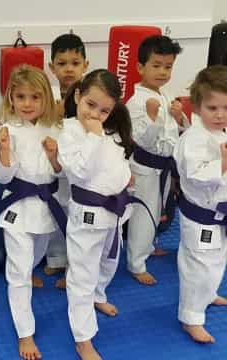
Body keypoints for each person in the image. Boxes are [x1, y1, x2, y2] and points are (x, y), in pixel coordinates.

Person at [0, 65, 66, 360]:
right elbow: (0, 176)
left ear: (46, 98)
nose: (28, 103)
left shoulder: (57, 129)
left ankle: (25, 270)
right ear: (10, 99)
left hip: (46, 205)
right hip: (18, 204)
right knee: (18, 273)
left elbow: (63, 172)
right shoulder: (5, 132)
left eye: (35, 97)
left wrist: (56, 157)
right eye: (21, 96)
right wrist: (5, 152)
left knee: (35, 256)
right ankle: (25, 332)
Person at [58, 69, 136, 360]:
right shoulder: (68, 132)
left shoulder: (108, 132)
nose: (96, 114)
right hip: (87, 215)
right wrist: (92, 136)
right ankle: (83, 337)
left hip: (115, 213)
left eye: (104, 110)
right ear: (78, 96)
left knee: (110, 259)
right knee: (82, 274)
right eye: (91, 105)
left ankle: (98, 295)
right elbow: (79, 172)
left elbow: (115, 163)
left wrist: (126, 178)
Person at [173, 65, 227, 344]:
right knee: (198, 264)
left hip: (220, 214)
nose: (220, 115)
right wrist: (223, 163)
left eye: (226, 108)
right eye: (212, 108)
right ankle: (190, 317)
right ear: (197, 107)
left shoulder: (221, 133)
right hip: (201, 216)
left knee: (217, 260)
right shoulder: (193, 139)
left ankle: (208, 294)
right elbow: (194, 175)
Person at [126, 35, 185, 285]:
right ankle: (136, 263)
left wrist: (180, 118)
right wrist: (153, 119)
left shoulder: (166, 94)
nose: (163, 72)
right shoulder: (135, 101)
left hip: (164, 167)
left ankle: (150, 246)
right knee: (143, 214)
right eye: (156, 65)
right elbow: (143, 140)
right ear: (141, 67)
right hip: (145, 167)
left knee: (159, 210)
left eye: (168, 66)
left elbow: (176, 135)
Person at [45, 33, 89, 289]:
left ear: (85, 64)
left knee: (77, 216)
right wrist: (54, 114)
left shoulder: (89, 94)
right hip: (52, 165)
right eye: (62, 63)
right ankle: (56, 258)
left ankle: (75, 266)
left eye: (75, 62)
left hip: (80, 167)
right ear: (52, 67)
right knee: (54, 211)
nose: (69, 69)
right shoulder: (46, 94)